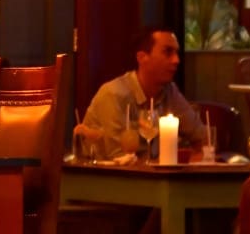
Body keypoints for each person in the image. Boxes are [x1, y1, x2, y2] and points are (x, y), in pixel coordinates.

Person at [76, 26, 202, 162]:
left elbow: (202, 136)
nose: (176, 60)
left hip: (149, 179)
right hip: (100, 179)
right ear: (142, 57)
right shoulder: (113, 94)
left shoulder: (169, 91)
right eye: (168, 52)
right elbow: (120, 159)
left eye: (176, 53)